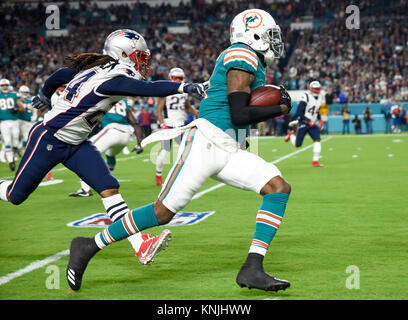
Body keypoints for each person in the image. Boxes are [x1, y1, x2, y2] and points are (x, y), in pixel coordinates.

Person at [66, 9, 292, 293]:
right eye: (270, 34)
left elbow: (241, 114)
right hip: (206, 143)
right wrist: (279, 108)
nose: (274, 41)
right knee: (162, 212)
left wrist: (272, 109)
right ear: (254, 33)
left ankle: (252, 267)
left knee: (278, 186)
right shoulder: (242, 54)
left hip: (229, 147)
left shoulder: (253, 60)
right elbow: (238, 113)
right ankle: (88, 245)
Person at [0, 29, 207, 266]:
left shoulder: (98, 70)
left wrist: (46, 94)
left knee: (109, 188)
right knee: (15, 195)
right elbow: (148, 89)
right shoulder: (112, 79)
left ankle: (141, 246)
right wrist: (185, 87)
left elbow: (59, 75)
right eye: (139, 56)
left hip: (77, 143)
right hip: (50, 139)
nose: (143, 62)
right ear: (123, 54)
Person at [69, 98, 143, 197]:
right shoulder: (123, 100)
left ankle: (85, 189)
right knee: (110, 154)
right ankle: (109, 182)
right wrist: (139, 143)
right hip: (126, 135)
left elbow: (93, 118)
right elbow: (135, 122)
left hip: (111, 130)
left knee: (84, 152)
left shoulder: (104, 96)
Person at [155, 67, 198, 186]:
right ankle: (158, 175)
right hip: (168, 125)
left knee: (186, 150)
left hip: (181, 125)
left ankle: (186, 175)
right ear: (171, 78)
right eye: (176, 78)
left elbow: (187, 107)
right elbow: (158, 110)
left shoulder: (184, 92)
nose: (178, 80)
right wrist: (162, 123)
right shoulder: (165, 91)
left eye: (180, 78)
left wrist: (196, 113)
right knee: (165, 150)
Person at [284, 81, 325, 167]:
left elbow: (316, 111)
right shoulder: (306, 97)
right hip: (303, 122)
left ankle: (315, 161)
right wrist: (308, 121)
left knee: (317, 139)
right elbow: (299, 112)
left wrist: (320, 119)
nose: (317, 90)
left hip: (312, 124)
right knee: (297, 145)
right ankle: (291, 134)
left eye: (318, 89)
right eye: (316, 89)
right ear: (311, 89)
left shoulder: (320, 97)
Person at [0, 78, 24, 171]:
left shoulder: (14, 95)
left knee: (15, 140)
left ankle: (15, 151)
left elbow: (22, 108)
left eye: (6, 85)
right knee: (7, 141)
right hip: (4, 122)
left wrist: (16, 109)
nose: (4, 87)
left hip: (15, 121)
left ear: (8, 85)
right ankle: (11, 161)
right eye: (2, 85)